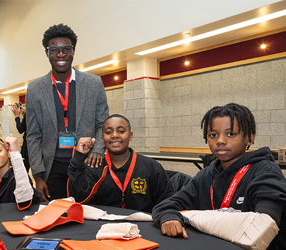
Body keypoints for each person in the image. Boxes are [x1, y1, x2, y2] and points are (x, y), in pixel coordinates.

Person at [152, 103, 286, 250]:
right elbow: (166, 205)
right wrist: (169, 217)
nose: (220, 140)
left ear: (250, 137)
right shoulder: (206, 174)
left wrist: (192, 217)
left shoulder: (265, 171)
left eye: (231, 134)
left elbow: (262, 227)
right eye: (213, 135)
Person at [26, 23, 109, 202]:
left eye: (66, 49)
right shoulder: (34, 89)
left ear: (73, 51)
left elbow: (103, 123)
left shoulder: (94, 83)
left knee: (88, 215)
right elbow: (33, 135)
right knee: (54, 217)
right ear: (47, 52)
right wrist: (38, 175)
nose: (61, 54)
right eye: (55, 50)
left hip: (86, 163)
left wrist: (98, 150)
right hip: (52, 166)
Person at [68, 114, 174, 212]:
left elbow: (167, 201)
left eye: (121, 131)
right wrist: (78, 157)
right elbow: (79, 197)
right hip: (104, 227)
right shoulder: (95, 166)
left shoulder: (151, 167)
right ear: (102, 138)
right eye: (108, 132)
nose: (114, 135)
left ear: (130, 136)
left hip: (143, 227)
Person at [12, 103, 29, 171]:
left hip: (28, 145)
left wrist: (17, 116)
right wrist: (25, 114)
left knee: (24, 168)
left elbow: (21, 129)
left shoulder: (28, 115)